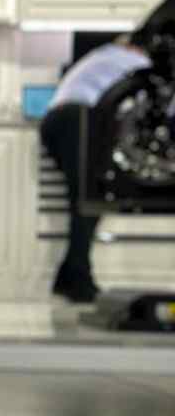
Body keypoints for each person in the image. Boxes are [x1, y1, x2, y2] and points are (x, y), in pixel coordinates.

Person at [41, 28, 152, 303]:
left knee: (88, 198)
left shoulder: (102, 56)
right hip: (78, 120)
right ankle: (77, 280)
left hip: (60, 120)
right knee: (88, 200)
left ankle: (71, 275)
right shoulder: (136, 62)